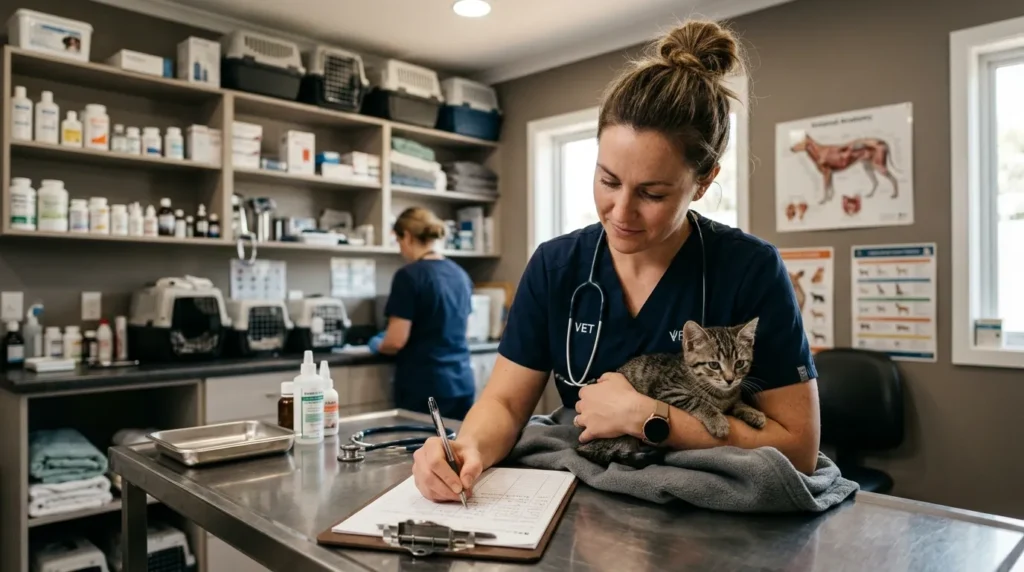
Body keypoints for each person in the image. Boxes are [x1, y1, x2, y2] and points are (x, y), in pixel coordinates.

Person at [412, 19, 821, 503]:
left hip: (714, 516)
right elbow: (503, 402)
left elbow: (799, 450)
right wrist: (465, 448)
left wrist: (649, 419)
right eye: (608, 181)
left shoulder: (749, 269)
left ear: (704, 182)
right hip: (590, 504)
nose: (620, 213)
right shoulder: (557, 266)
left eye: (651, 192)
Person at [368, 207, 476, 420]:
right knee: (456, 450)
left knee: (422, 452)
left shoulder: (408, 276)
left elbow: (396, 341)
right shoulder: (460, 274)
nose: (401, 250)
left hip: (426, 388)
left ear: (407, 236)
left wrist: (376, 344)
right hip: (461, 382)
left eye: (399, 242)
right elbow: (464, 328)